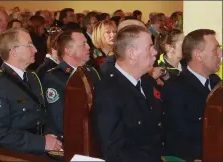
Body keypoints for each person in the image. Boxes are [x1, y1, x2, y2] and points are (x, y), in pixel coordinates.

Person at [92, 25, 164, 162]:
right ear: (131, 54)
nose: (155, 52)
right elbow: (114, 152)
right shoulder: (109, 92)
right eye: (149, 47)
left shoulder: (146, 81)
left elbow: (159, 129)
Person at [0, 28, 63, 156]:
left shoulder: (32, 77)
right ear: (14, 52)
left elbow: (43, 113)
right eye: (29, 45)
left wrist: (51, 137)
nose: (35, 49)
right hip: (18, 154)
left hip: (41, 148)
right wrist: (42, 142)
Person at [162, 29, 222, 162]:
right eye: (215, 50)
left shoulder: (216, 83)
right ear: (198, 55)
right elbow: (174, 135)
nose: (220, 54)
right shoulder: (176, 87)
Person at [41, 30, 101, 156]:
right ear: (68, 50)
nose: (89, 47)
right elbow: (60, 119)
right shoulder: (55, 77)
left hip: (94, 138)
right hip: (70, 144)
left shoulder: (91, 72)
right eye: (83, 44)